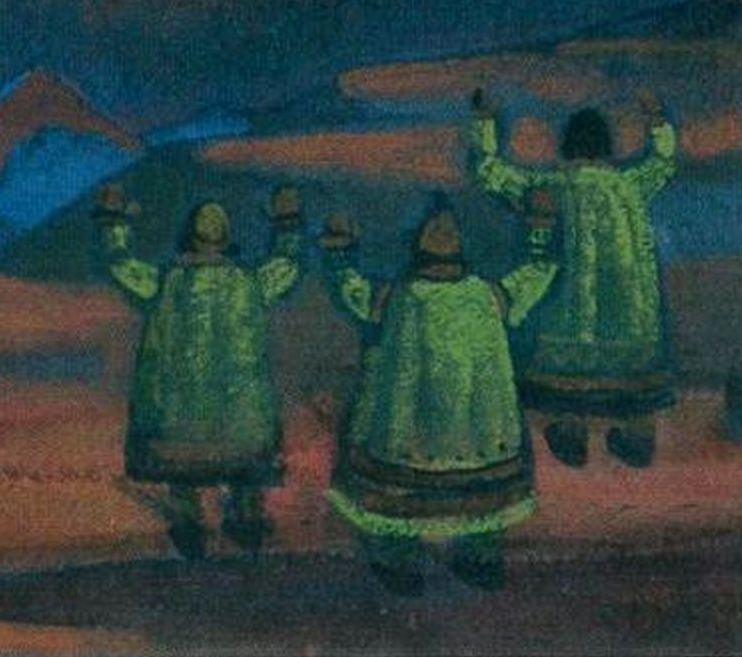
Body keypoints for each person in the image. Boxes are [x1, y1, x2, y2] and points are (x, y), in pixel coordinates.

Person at [322, 192, 562, 591]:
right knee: (482, 508)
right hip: (479, 443)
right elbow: (537, 274)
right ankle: (479, 557)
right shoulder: (488, 295)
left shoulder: (395, 296)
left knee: (398, 507)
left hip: (405, 446)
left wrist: (339, 253)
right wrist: (540, 232)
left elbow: (351, 290)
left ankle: (401, 561)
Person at [93, 180, 308, 557]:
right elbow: (287, 265)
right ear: (227, 240)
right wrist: (287, 225)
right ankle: (246, 522)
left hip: (177, 426)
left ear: (187, 237)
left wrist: (114, 225)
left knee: (182, 479)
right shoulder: (252, 283)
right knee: (246, 480)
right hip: (243, 429)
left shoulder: (164, 283)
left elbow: (120, 264)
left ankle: (189, 525)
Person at [469, 85, 680, 465]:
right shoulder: (629, 185)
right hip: (630, 331)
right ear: (606, 146)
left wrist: (484, 122)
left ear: (567, 145)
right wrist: (657, 118)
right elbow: (664, 161)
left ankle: (571, 432)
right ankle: (636, 436)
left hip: (571, 327)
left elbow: (490, 173)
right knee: (632, 383)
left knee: (567, 386)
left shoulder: (550, 187)